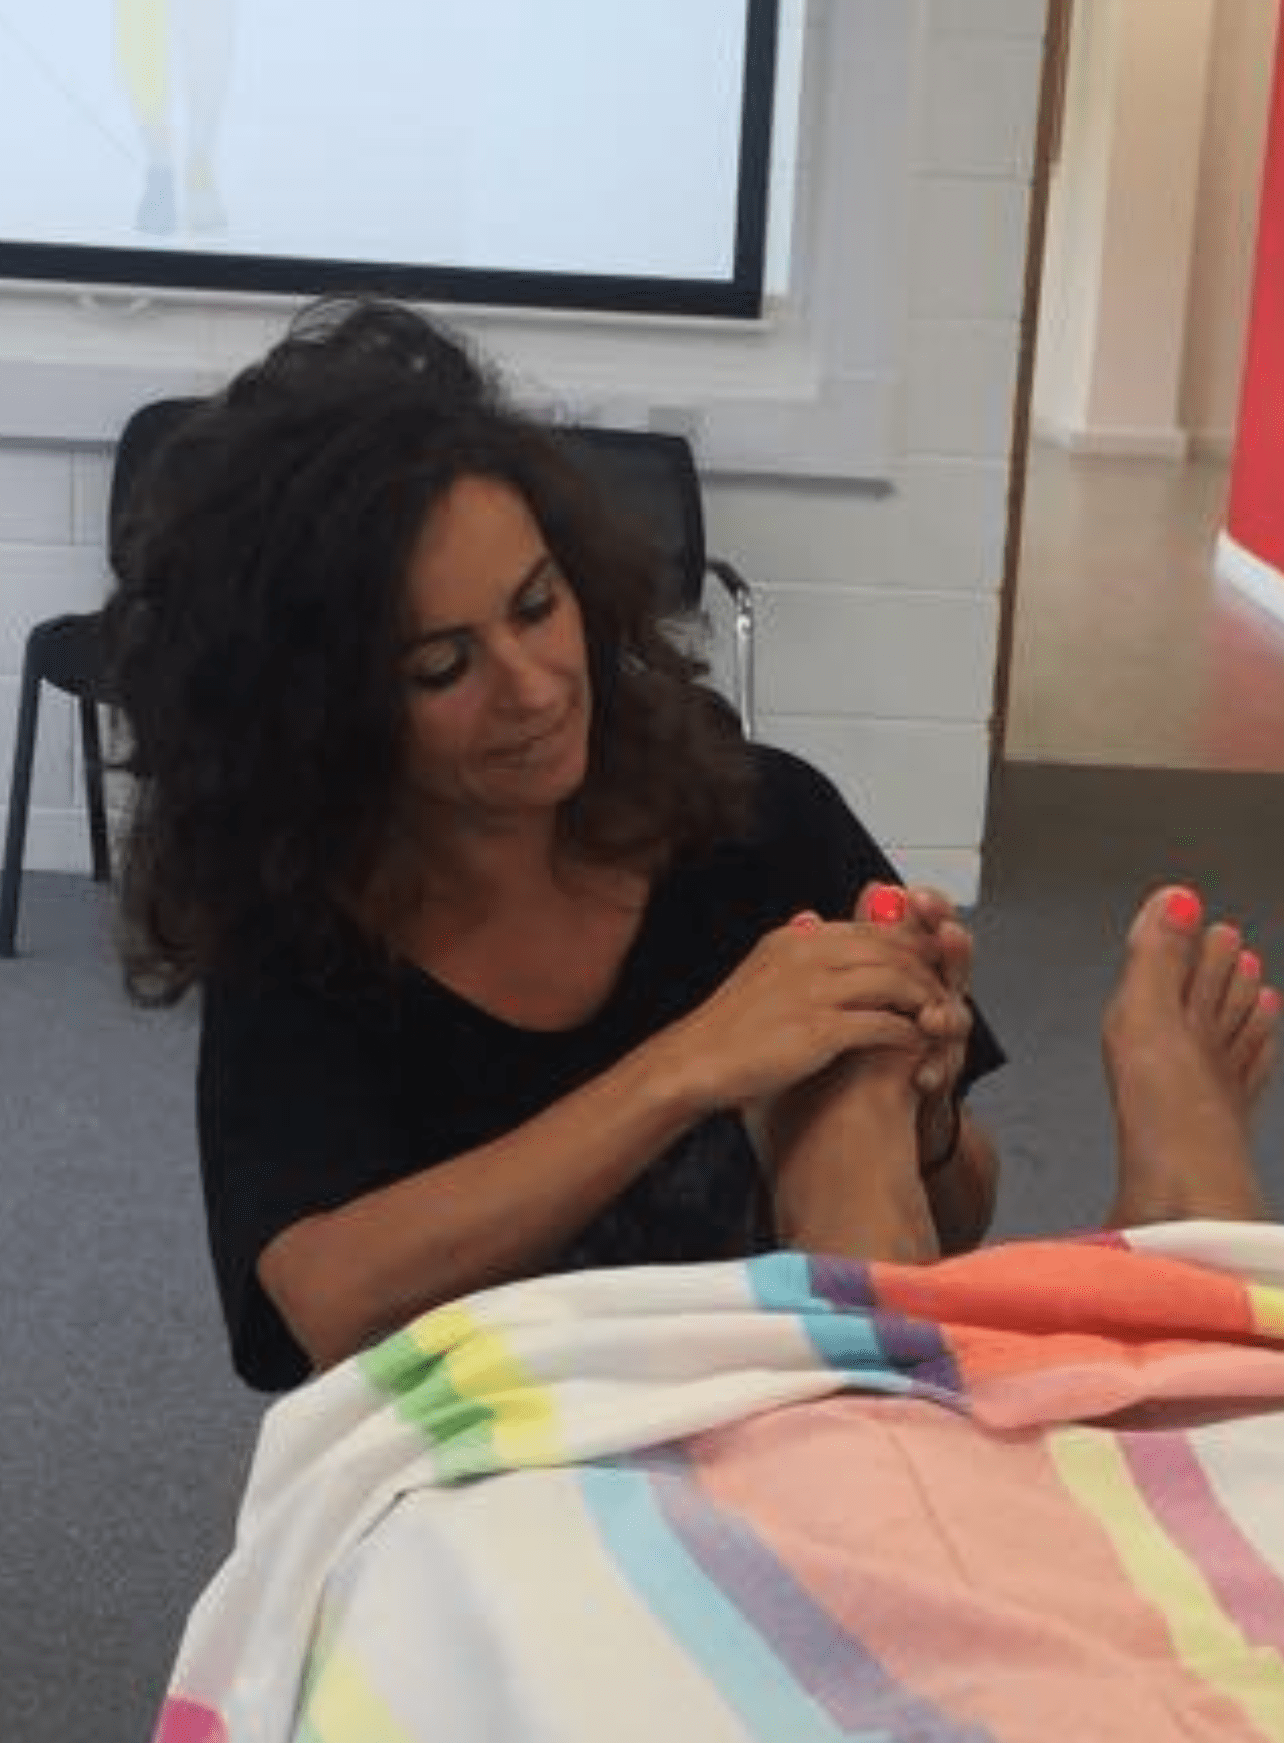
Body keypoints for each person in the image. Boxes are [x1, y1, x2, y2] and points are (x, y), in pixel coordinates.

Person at [106, 298, 1005, 1393]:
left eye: (536, 606)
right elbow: (325, 1300)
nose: (533, 689)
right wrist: (686, 1067)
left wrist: (927, 1116)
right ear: (324, 718)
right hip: (491, 1441)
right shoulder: (301, 926)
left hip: (767, 1412)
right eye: (443, 667)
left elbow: (960, 1221)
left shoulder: (764, 822)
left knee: (856, 1134)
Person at [769, 883, 1279, 1258]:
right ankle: (1192, 1240)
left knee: (856, 1268)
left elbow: (961, 1223)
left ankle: (856, 1253)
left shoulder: (780, 820)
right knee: (1223, 1278)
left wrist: (927, 1134)